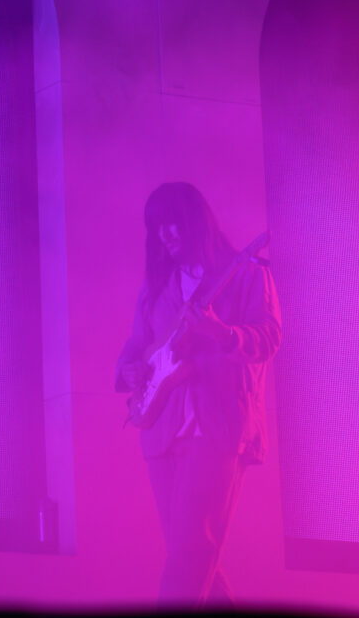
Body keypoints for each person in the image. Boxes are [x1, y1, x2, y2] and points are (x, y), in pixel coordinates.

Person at [115, 182, 281, 608]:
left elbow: (269, 337)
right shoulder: (155, 288)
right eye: (157, 227)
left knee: (190, 555)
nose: (166, 233)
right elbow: (136, 345)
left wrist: (222, 334)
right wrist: (129, 370)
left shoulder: (247, 274)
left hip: (219, 429)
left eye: (173, 222)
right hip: (162, 432)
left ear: (197, 221)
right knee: (193, 559)